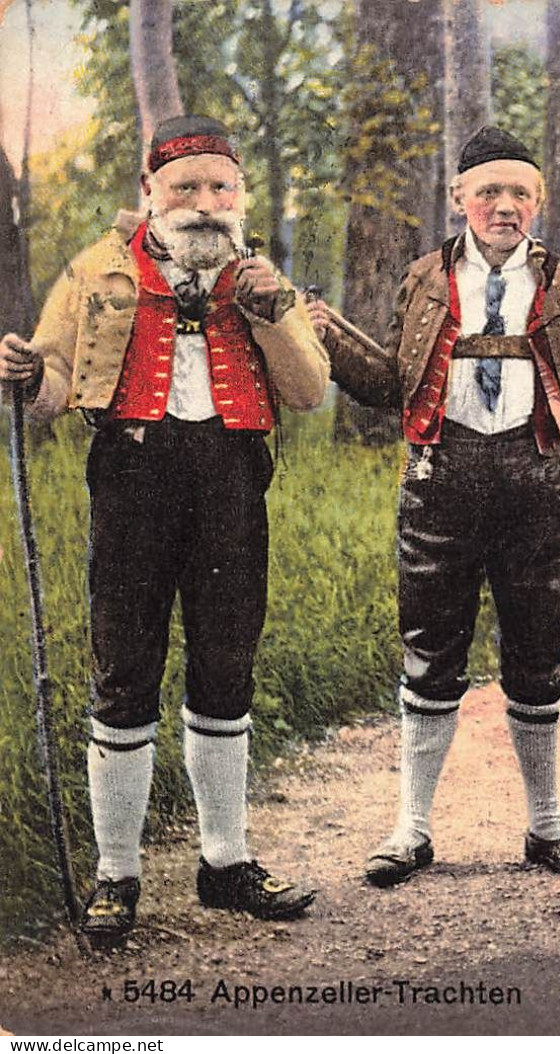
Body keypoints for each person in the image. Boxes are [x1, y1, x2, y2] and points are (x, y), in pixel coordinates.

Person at [0, 115, 329, 947]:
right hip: (132, 475)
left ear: (239, 197)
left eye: (221, 187)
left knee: (226, 664)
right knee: (125, 665)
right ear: (149, 193)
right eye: (185, 187)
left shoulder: (259, 278)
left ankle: (226, 862)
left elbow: (308, 391)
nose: (204, 202)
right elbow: (55, 378)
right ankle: (118, 873)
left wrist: (267, 311)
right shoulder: (96, 271)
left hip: (230, 477)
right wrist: (28, 371)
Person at [307, 126, 560, 887]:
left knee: (537, 657)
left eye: (519, 193)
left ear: (538, 201)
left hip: (536, 481)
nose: (504, 206)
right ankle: (410, 830)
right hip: (439, 479)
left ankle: (547, 829)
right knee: (430, 654)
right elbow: (393, 384)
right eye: (488, 192)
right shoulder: (420, 279)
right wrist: (329, 342)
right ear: (459, 200)